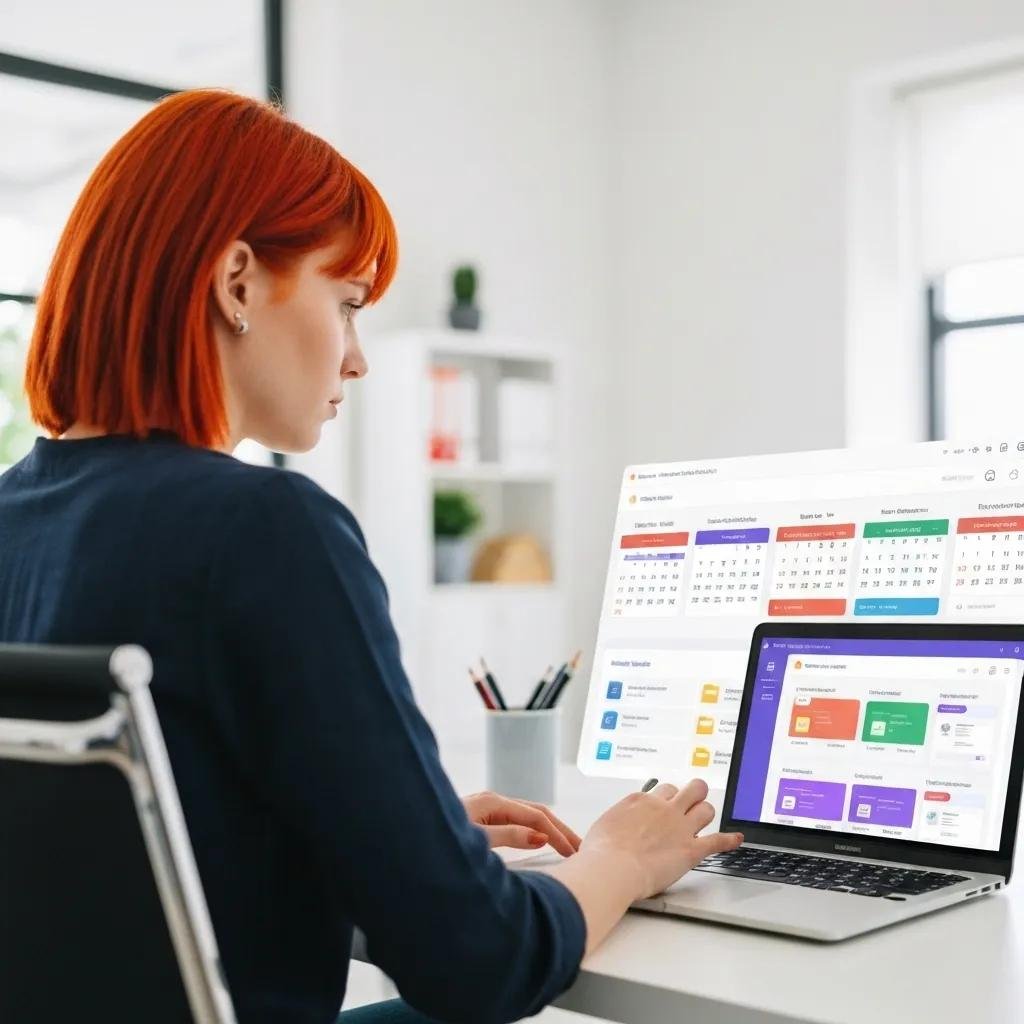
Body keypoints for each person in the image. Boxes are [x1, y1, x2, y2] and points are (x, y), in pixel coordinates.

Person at [0, 89, 743, 1024]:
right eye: (345, 304)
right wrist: (620, 860)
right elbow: (480, 965)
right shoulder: (266, 531)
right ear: (236, 282)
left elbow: (131, 871)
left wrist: (388, 835)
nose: (357, 358)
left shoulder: (14, 520)